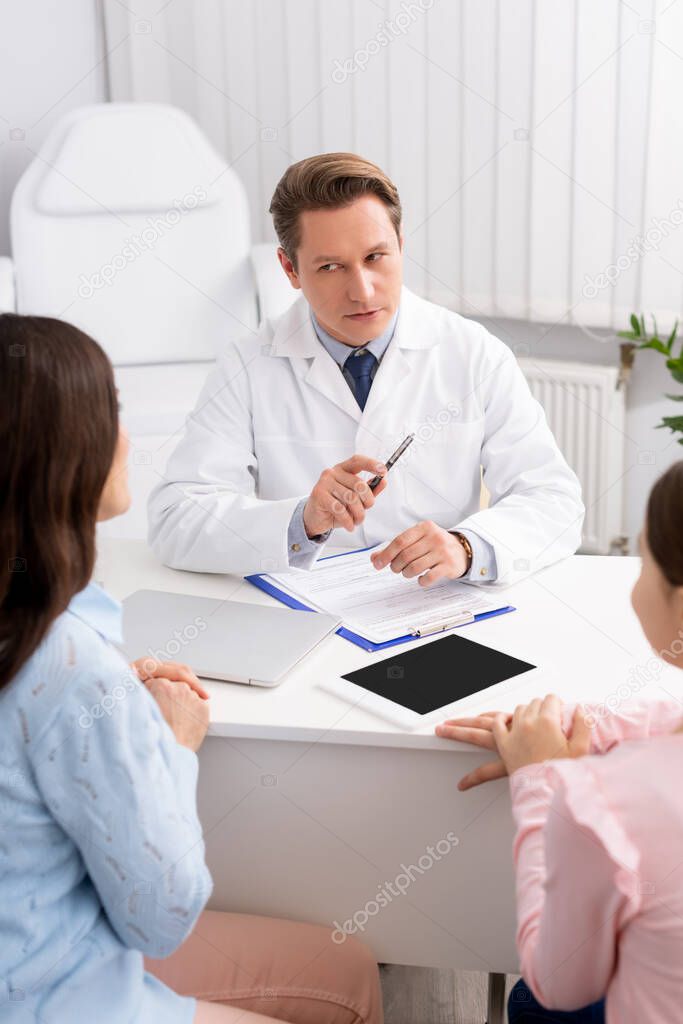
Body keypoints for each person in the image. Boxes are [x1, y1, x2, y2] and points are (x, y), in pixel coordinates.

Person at [0, 313, 383, 1024]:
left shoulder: (59, 645)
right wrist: (169, 743)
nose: (127, 438)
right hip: (61, 999)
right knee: (349, 981)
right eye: (111, 411)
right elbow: (160, 919)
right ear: (64, 449)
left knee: (347, 965)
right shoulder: (71, 665)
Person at [148, 153, 584, 587]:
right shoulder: (247, 365)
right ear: (290, 269)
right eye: (330, 267)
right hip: (304, 612)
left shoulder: (474, 354)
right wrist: (302, 520)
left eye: (376, 257)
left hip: (433, 607)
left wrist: (466, 547)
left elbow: (554, 503)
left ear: (400, 244)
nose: (362, 291)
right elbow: (175, 520)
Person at [435, 460, 683, 1023]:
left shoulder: (607, 801)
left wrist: (541, 777)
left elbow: (559, 982)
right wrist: (588, 723)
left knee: (528, 1002)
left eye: (643, 559)